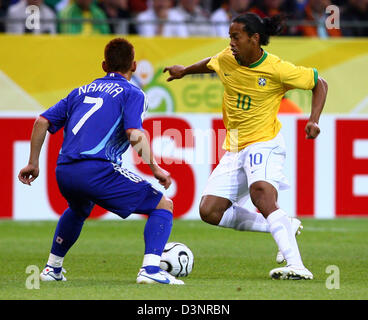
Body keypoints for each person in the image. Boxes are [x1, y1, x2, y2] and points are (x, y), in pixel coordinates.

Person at [164, 12, 328, 280]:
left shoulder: (276, 68)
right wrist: (184, 71)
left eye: (236, 37)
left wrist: (314, 120)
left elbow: (319, 83)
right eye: (230, 37)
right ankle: (283, 224)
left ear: (254, 39)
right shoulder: (228, 58)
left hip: (265, 142)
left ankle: (296, 265)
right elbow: (212, 63)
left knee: (261, 194)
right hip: (236, 147)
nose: (231, 42)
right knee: (209, 211)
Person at [18, 38, 184, 285]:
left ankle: (52, 269)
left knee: (79, 208)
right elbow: (134, 134)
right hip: (97, 169)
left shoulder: (79, 92)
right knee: (162, 205)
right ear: (135, 66)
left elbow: (42, 121)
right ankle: (150, 270)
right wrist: (155, 168)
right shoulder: (132, 92)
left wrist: (33, 163)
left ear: (104, 65)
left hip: (64, 170)